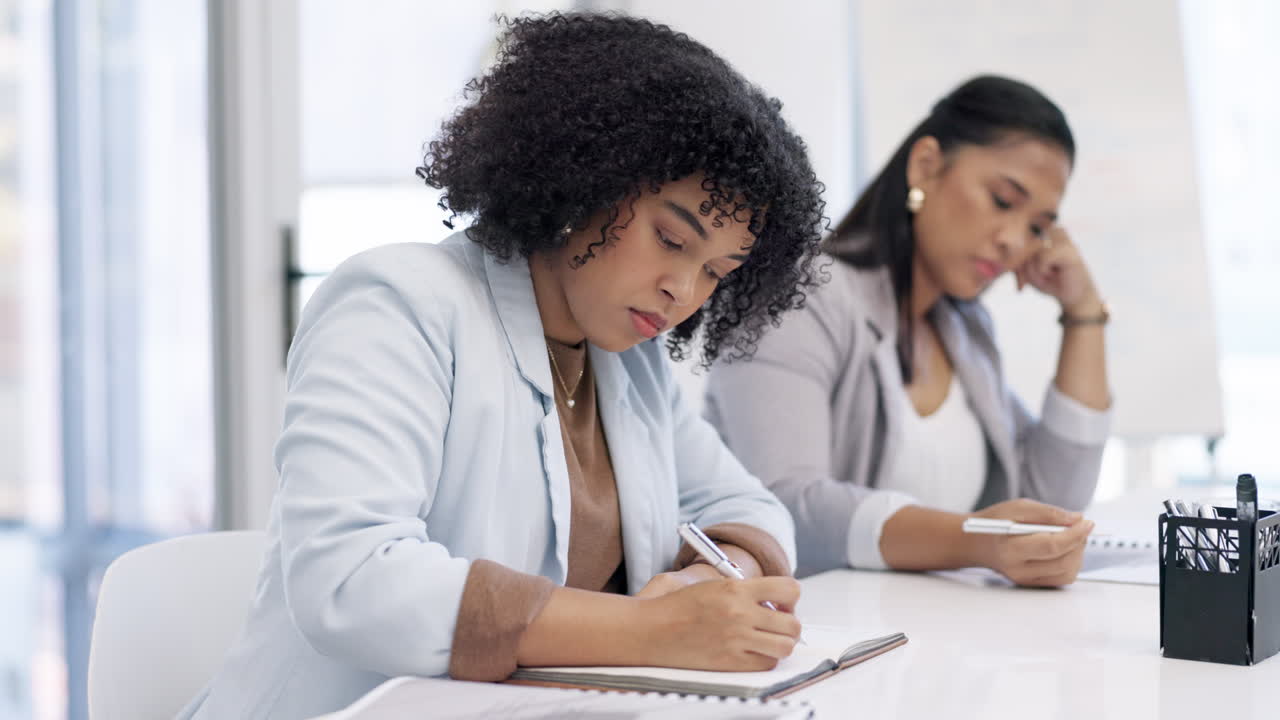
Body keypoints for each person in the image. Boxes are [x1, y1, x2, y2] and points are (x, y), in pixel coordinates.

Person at [179, 13, 828, 720]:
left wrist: (709, 584)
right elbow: (352, 581)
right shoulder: (398, 304)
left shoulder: (629, 365)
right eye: (671, 239)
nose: (684, 291)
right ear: (586, 178)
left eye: (716, 272)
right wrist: (651, 629)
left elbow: (749, 508)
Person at [706, 75, 1111, 586]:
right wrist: (974, 541)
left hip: (925, 629)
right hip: (803, 624)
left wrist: (1083, 315)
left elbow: (1052, 505)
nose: (1014, 241)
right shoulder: (800, 294)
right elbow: (784, 504)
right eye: (1003, 200)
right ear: (926, 166)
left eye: (1037, 227)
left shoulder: (966, 331)